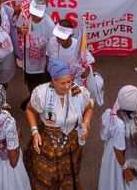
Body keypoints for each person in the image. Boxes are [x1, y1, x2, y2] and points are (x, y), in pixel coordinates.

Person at [25, 61, 92, 190]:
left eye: (69, 81)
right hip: (48, 141)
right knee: (47, 175)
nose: (67, 86)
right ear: (53, 80)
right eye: (63, 83)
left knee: (70, 173)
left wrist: (86, 122)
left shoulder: (77, 92)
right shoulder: (41, 93)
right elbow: (30, 110)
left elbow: (89, 107)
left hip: (72, 141)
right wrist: (34, 132)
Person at [98, 85, 137, 190]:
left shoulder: (118, 108)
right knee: (120, 183)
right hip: (121, 159)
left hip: (116, 151)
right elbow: (118, 150)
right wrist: (125, 168)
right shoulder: (120, 125)